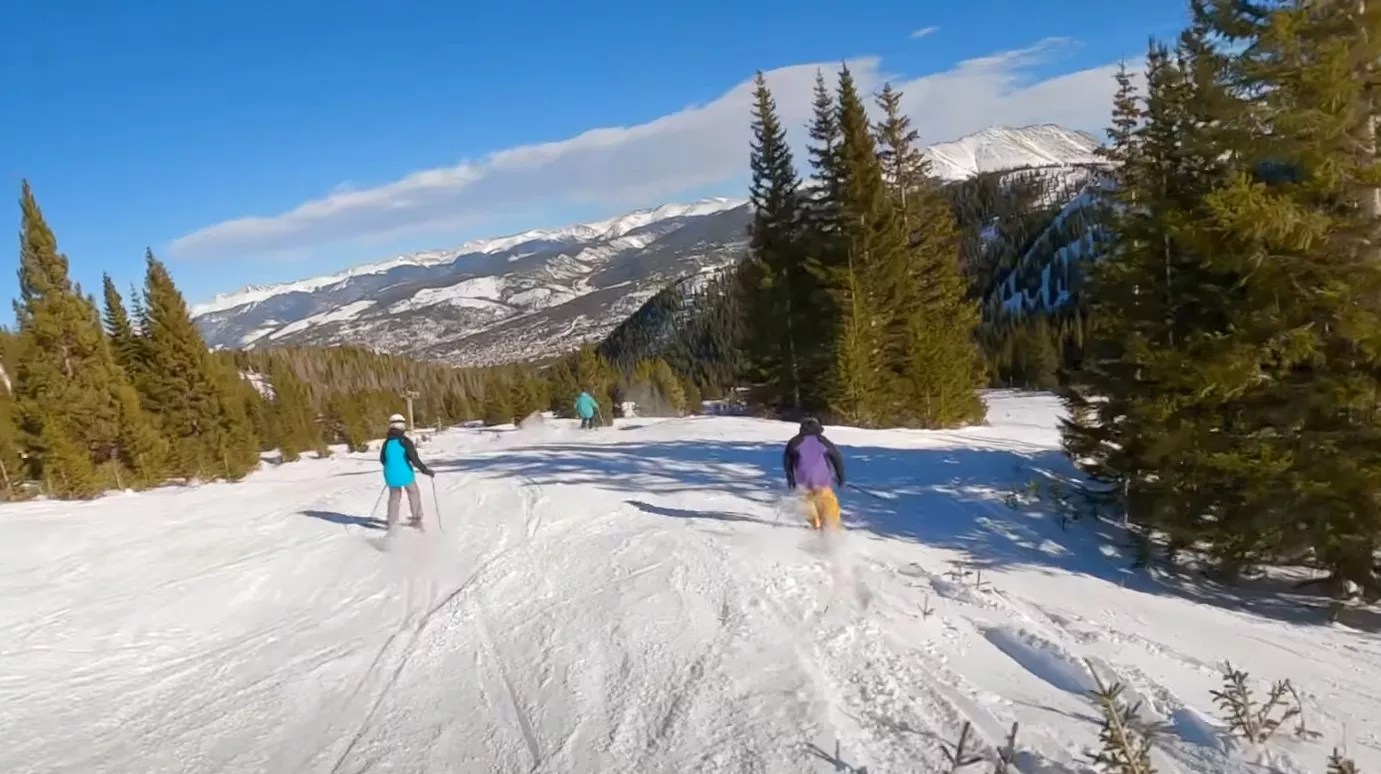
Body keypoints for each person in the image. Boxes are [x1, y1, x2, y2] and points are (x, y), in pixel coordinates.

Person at [783, 417, 846, 530]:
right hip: (822, 481)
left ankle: (815, 523)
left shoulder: (794, 442)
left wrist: (790, 478)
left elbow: (787, 462)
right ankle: (831, 526)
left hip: (803, 481)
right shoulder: (823, 441)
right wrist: (840, 476)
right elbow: (837, 458)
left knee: (808, 503)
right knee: (828, 504)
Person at [380, 413, 434, 528]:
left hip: (390, 474)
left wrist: (392, 468)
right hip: (405, 473)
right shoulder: (404, 441)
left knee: (394, 497)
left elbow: (382, 459)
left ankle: (392, 523)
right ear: (401, 425)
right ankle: (417, 519)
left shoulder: (386, 442)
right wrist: (425, 470)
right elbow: (414, 459)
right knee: (413, 492)